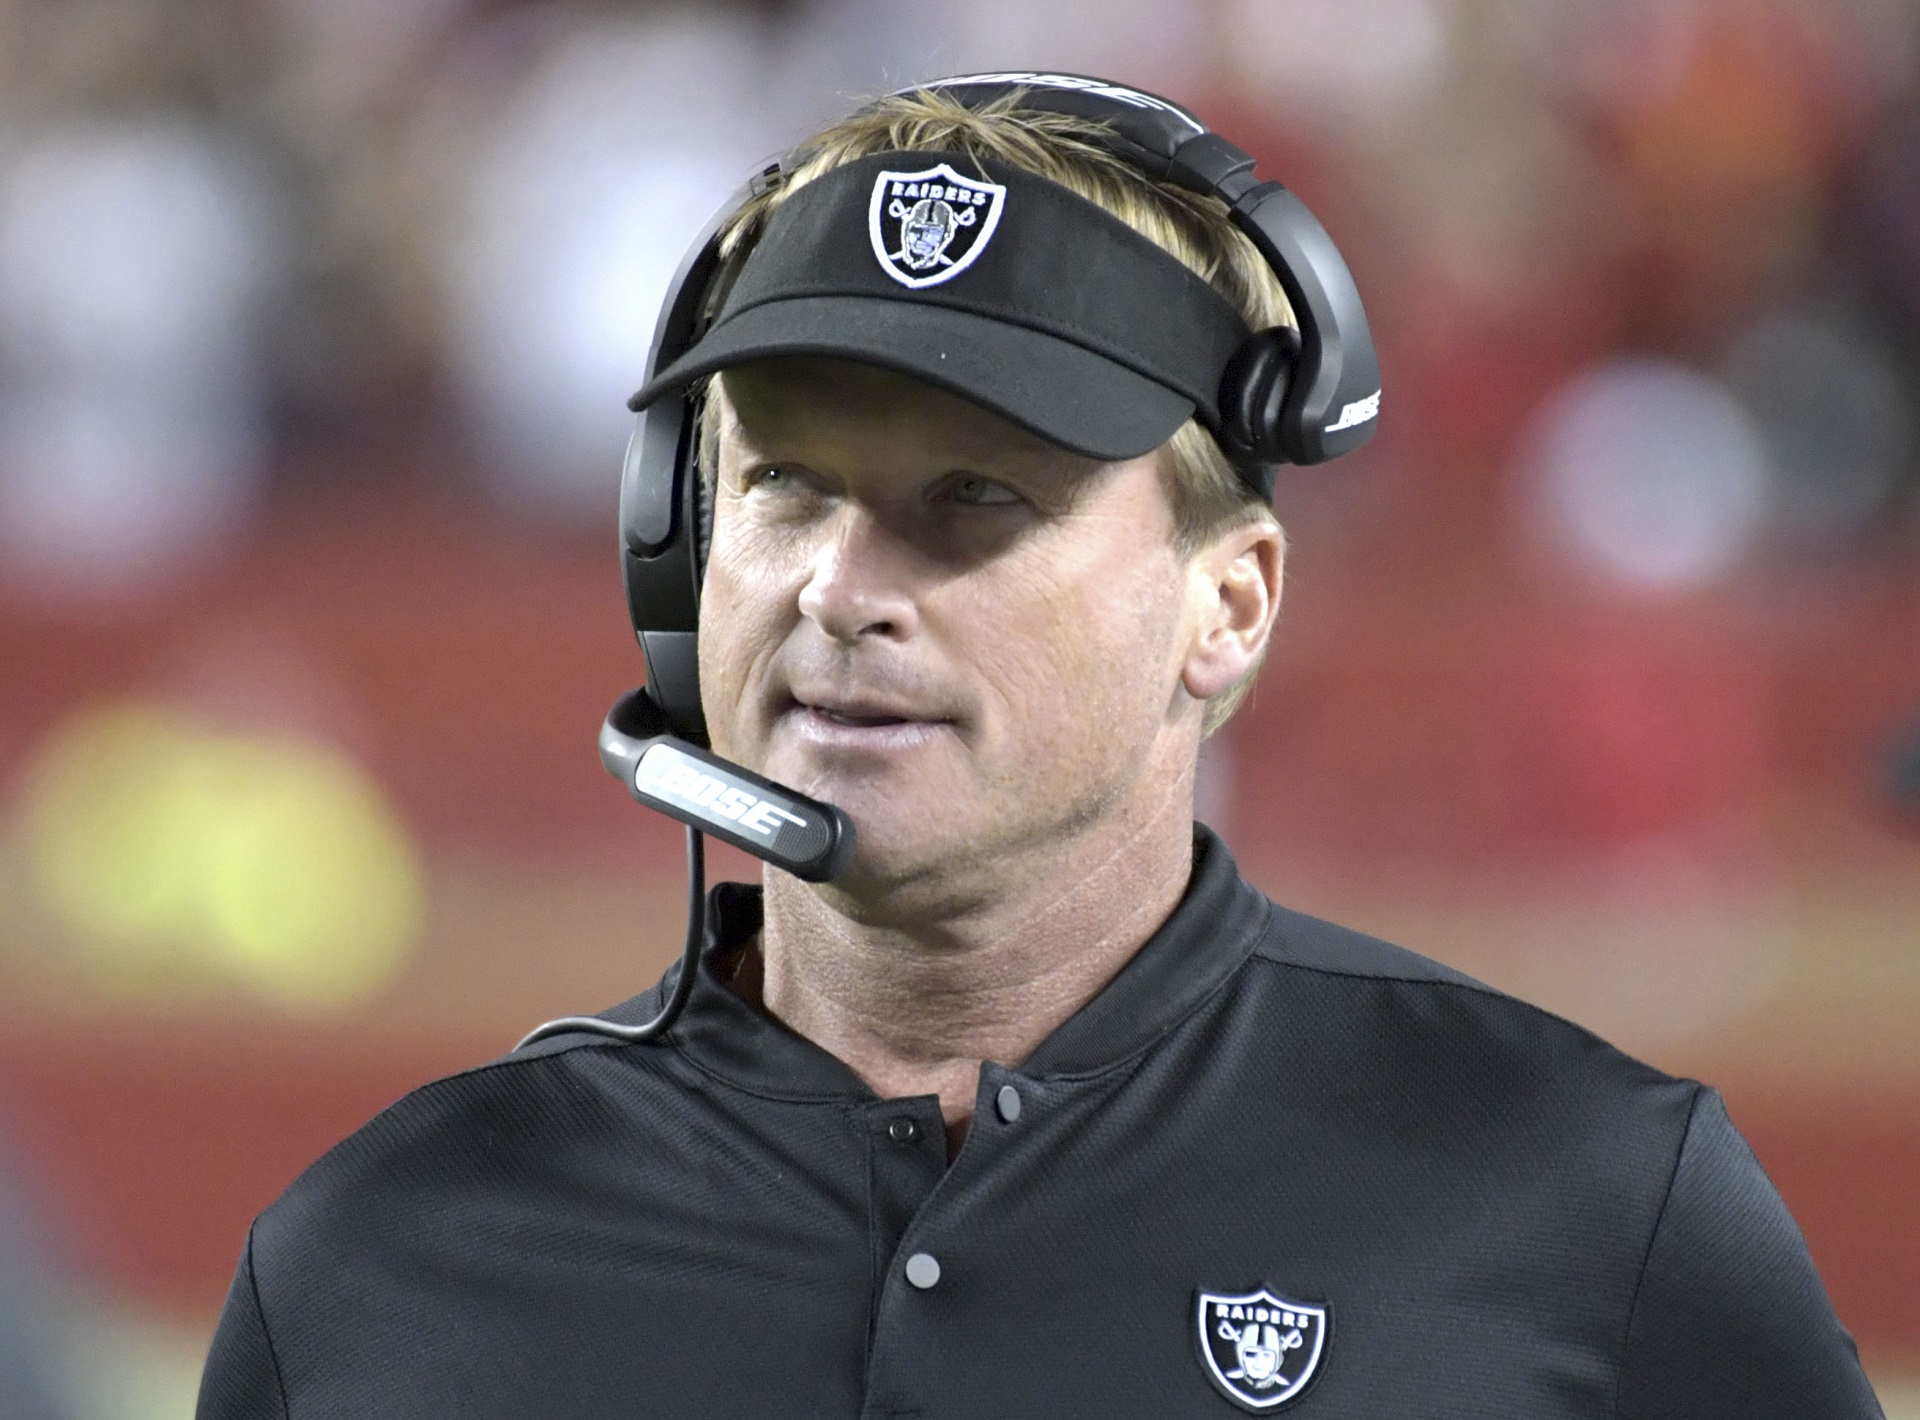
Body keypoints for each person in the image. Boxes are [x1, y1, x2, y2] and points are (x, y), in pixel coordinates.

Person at [197, 78, 1886, 1419]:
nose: (843, 591)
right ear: (676, 547)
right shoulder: (381, 1255)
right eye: (787, 484)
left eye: (975, 500)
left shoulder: (1587, 1207)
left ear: (1227, 606)